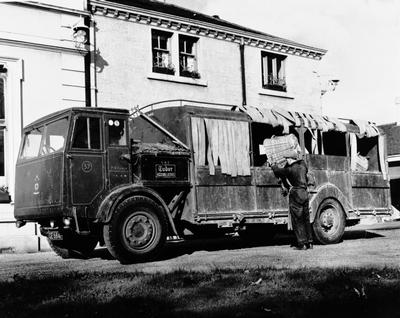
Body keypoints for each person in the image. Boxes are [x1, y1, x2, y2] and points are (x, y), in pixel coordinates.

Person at [272, 157, 313, 250]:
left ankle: (302, 244)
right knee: (306, 218)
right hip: (305, 193)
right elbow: (304, 163)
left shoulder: (290, 169)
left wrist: (273, 165)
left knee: (297, 220)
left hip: (296, 194)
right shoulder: (303, 167)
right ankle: (310, 242)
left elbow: (277, 171)